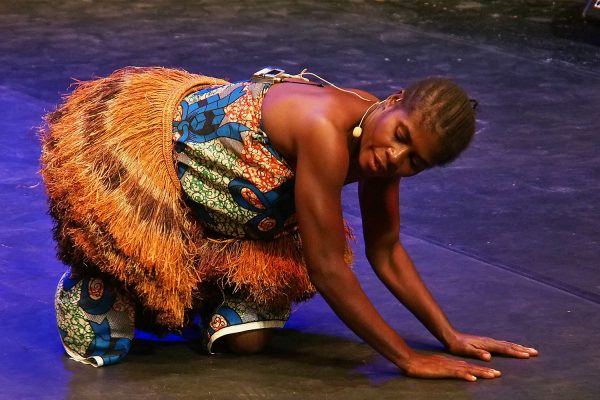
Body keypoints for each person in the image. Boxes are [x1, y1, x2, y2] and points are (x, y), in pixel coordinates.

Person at [40, 66, 537, 379]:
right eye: (401, 135)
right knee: (102, 337)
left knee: (245, 342)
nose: (395, 157)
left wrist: (447, 334)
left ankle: (204, 284)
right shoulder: (324, 128)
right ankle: (97, 281)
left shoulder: (375, 144)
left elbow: (385, 250)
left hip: (241, 215)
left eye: (415, 162)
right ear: (392, 99)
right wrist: (406, 358)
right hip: (168, 172)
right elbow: (325, 266)